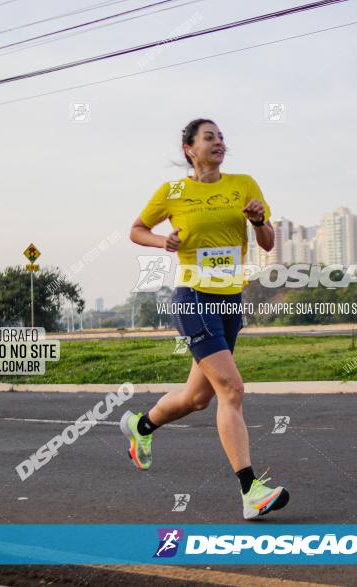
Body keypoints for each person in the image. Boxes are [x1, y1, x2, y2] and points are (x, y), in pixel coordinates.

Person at [121, 118, 289, 520]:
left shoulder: (243, 184)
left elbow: (267, 243)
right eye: (209, 137)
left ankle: (141, 426)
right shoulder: (174, 191)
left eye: (221, 137)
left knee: (198, 398)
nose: (219, 142)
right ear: (189, 149)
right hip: (193, 297)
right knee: (231, 388)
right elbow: (137, 229)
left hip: (231, 302)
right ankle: (251, 491)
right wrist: (164, 240)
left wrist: (257, 219)